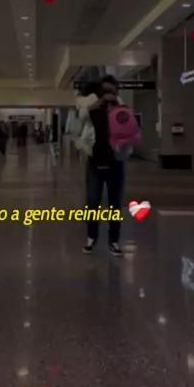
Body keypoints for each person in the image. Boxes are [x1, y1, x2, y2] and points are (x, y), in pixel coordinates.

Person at [82, 76, 125, 258]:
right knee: (92, 202)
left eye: (111, 91)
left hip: (116, 161)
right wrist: (94, 105)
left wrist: (117, 106)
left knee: (115, 204)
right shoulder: (92, 108)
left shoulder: (121, 108)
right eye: (104, 91)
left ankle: (114, 241)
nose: (107, 95)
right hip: (95, 161)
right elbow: (79, 122)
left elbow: (129, 128)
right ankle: (91, 237)